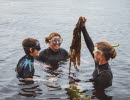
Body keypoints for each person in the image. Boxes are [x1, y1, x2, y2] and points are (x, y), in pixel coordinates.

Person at [80, 17, 117, 91]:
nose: (93, 52)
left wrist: (80, 84)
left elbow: (97, 91)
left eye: (95, 51)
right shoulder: (99, 62)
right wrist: (83, 28)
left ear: (101, 55)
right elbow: (90, 44)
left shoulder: (105, 75)